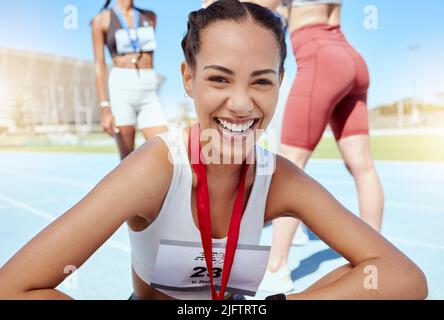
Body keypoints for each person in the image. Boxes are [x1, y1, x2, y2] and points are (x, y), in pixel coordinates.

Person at [0, 0, 426, 300]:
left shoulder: (276, 176)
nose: (241, 104)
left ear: (281, 82)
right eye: (219, 79)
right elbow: (12, 287)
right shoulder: (156, 168)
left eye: (261, 81)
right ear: (188, 79)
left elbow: (403, 277)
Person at [236, 0, 385, 294]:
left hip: (319, 58)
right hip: (351, 56)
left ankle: (277, 267)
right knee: (363, 166)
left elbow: (254, 7)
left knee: (287, 167)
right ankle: (377, 260)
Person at [91, 0, 168, 161]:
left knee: (165, 151)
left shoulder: (150, 17)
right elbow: (99, 63)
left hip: (148, 86)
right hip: (121, 86)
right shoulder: (101, 20)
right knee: (128, 159)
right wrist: (104, 106)